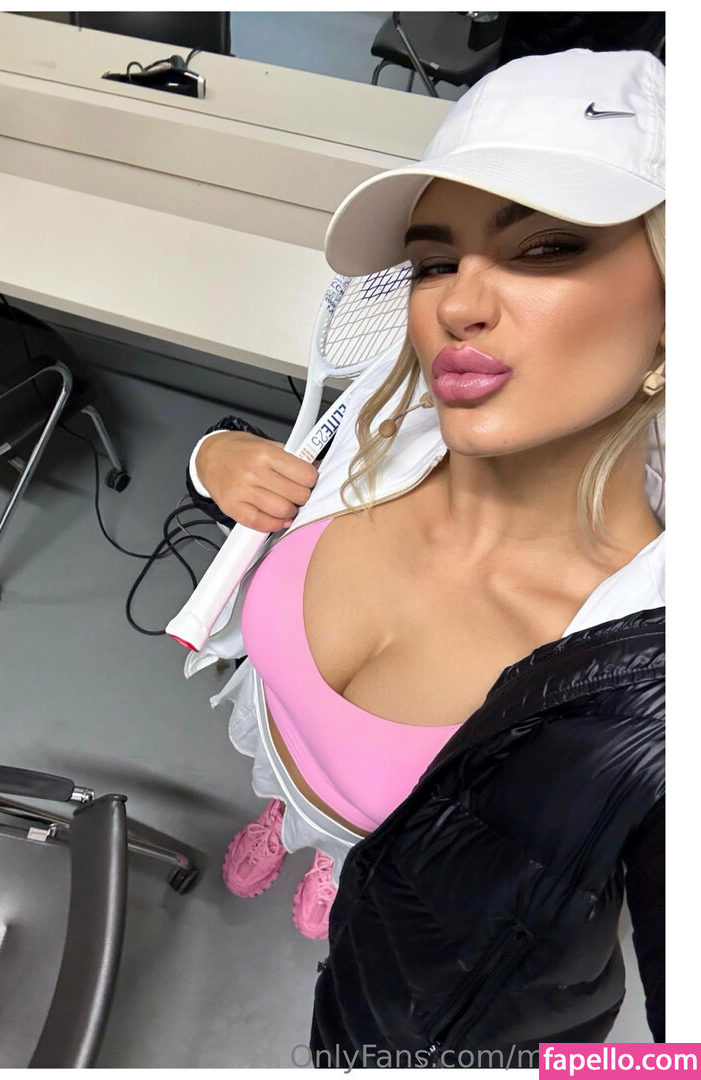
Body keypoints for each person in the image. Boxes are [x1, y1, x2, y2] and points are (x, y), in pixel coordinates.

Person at [182, 49, 664, 1054]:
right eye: (437, 260)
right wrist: (213, 457)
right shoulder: (389, 430)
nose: (455, 304)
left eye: (544, 247)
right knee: (284, 788)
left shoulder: (642, 698)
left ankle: (336, 863)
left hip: (389, 858)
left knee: (357, 853)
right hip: (281, 746)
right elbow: (274, 482)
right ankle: (292, 829)